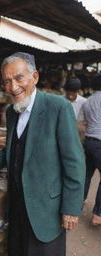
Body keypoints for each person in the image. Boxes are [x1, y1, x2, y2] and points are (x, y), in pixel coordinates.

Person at [0, 52, 85, 256]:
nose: (13, 87)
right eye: (7, 81)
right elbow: (15, 147)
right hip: (18, 202)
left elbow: (74, 161)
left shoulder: (58, 107)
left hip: (46, 207)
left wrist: (71, 208)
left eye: (19, 78)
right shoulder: (13, 111)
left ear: (35, 77)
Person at [82, 74, 101, 226]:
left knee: (86, 174)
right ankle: (98, 215)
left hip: (88, 141)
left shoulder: (87, 101)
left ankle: (77, 204)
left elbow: (84, 123)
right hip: (100, 142)